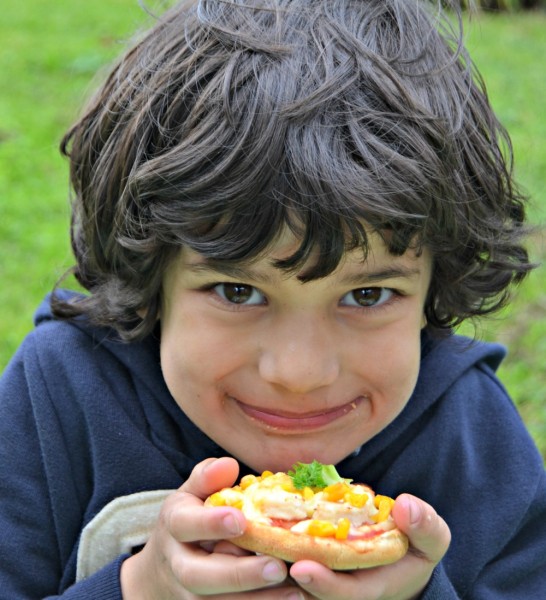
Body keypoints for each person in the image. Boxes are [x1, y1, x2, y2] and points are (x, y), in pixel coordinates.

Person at [1, 0, 545, 597]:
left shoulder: (471, 436)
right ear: (151, 278)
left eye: (367, 295)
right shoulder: (60, 397)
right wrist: (140, 589)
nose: (299, 374)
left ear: (434, 288)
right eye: (239, 291)